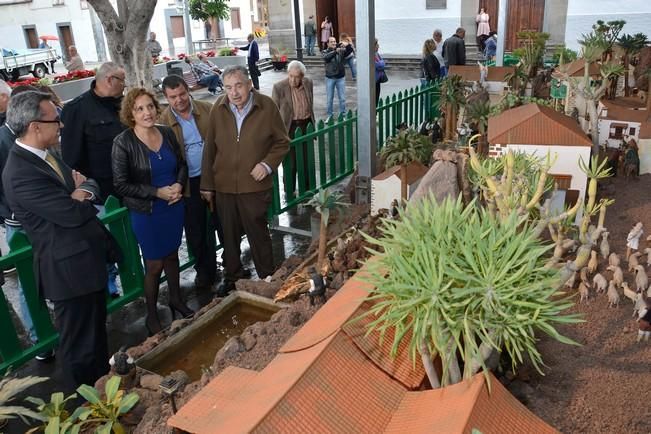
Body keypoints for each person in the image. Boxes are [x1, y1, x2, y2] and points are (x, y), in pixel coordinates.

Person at [3, 90, 110, 389]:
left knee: (97, 339)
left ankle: (106, 396)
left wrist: (81, 192)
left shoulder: (46, 155)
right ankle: (87, 408)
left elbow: (87, 183)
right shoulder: (20, 172)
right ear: (35, 126)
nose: (61, 125)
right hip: (68, 273)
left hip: (86, 264)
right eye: (55, 120)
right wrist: (76, 195)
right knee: (79, 350)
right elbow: (71, 214)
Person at [200, 66, 289, 296]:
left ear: (249, 84)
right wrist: (207, 185)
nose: (234, 92)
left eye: (239, 85)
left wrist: (266, 165)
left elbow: (282, 142)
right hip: (224, 186)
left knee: (258, 232)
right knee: (228, 235)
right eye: (229, 87)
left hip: (254, 186)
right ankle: (233, 276)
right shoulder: (218, 108)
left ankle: (268, 276)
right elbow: (210, 148)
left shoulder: (266, 106)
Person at [112, 88, 193, 335]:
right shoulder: (123, 142)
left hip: (173, 207)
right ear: (131, 113)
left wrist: (179, 185)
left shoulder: (167, 132)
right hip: (147, 212)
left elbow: (181, 164)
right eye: (139, 108)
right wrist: (157, 192)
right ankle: (151, 315)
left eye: (149, 106)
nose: (146, 112)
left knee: (172, 256)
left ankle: (176, 300)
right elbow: (120, 184)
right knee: (155, 264)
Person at [60, 62, 125, 298]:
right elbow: (71, 158)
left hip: (128, 185)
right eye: (122, 80)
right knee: (103, 241)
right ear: (109, 80)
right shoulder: (77, 109)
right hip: (101, 191)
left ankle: (132, 277)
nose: (124, 85)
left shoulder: (121, 104)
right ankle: (109, 280)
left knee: (128, 239)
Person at [159, 74, 224, 288]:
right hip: (187, 183)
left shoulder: (207, 109)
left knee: (224, 223)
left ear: (188, 90)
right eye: (173, 97)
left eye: (181, 94)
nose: (179, 100)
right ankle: (205, 270)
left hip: (213, 176)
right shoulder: (163, 122)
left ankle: (231, 264)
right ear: (166, 98)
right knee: (196, 230)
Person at [271, 60, 315, 199]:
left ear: (302, 76)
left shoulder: (308, 83)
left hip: (306, 125)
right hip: (289, 127)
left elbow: (311, 103)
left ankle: (308, 190)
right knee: (290, 163)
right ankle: (289, 191)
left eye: (297, 77)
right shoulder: (279, 87)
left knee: (307, 161)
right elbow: (274, 112)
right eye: (291, 76)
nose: (293, 80)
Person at [323, 36, 350, 121]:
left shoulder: (340, 51)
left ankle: (343, 115)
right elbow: (326, 58)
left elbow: (349, 52)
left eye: (335, 41)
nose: (334, 43)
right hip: (330, 78)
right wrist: (335, 51)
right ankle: (329, 116)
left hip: (340, 77)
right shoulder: (325, 51)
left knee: (342, 98)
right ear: (328, 43)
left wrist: (347, 44)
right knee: (329, 99)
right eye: (331, 42)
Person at [374, 39, 387, 106]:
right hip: (373, 81)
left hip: (378, 80)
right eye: (377, 44)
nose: (378, 46)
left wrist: (381, 63)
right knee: (373, 98)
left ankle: (375, 113)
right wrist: (381, 63)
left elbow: (383, 64)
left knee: (376, 98)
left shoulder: (377, 54)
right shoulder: (371, 55)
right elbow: (379, 65)